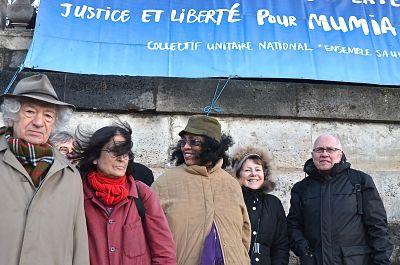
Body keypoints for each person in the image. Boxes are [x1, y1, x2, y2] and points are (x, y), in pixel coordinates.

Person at [0, 74, 89, 265]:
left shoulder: (70, 177)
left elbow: (79, 245)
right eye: (30, 112)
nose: (39, 122)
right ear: (11, 117)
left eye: (48, 115)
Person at [152, 114, 251, 265]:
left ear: (212, 146)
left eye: (194, 142)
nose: (186, 147)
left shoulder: (231, 184)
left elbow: (244, 234)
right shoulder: (164, 183)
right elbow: (149, 234)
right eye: (183, 142)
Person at [75, 122, 176, 265]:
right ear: (95, 157)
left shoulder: (142, 194)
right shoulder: (78, 194)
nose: (122, 159)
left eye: (126, 152)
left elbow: (164, 253)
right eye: (114, 151)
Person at [287, 134, 393, 265]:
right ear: (313, 154)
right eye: (319, 150)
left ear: (340, 154)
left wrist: (381, 261)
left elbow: (377, 226)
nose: (324, 154)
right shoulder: (301, 188)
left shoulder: (360, 181)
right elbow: (293, 226)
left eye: (330, 149)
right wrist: (304, 250)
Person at [232, 146, 289, 265]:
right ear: (238, 174)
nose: (253, 174)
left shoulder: (274, 204)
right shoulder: (232, 201)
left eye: (258, 170)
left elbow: (281, 245)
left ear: (264, 174)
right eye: (247, 170)